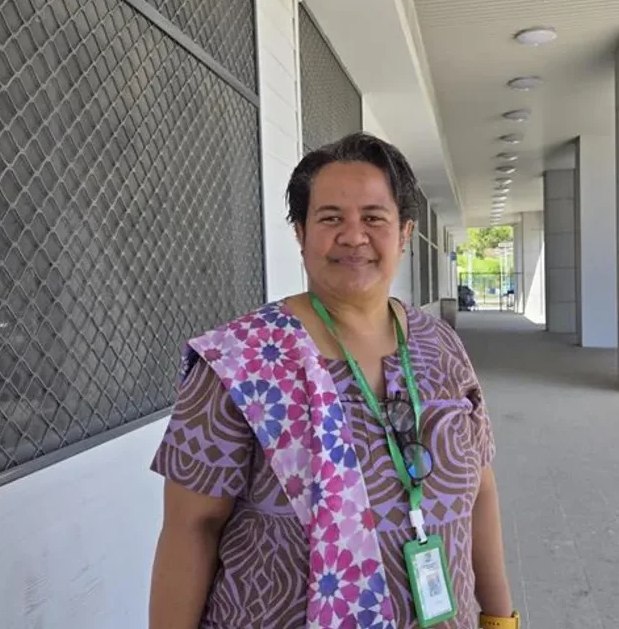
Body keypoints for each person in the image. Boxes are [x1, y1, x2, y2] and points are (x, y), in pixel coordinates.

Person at [148, 132, 519, 629]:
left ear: (405, 234)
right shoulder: (239, 360)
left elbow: (481, 492)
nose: (353, 236)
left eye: (373, 217)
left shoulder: (442, 346)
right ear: (301, 234)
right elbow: (191, 528)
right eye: (330, 218)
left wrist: (499, 619)